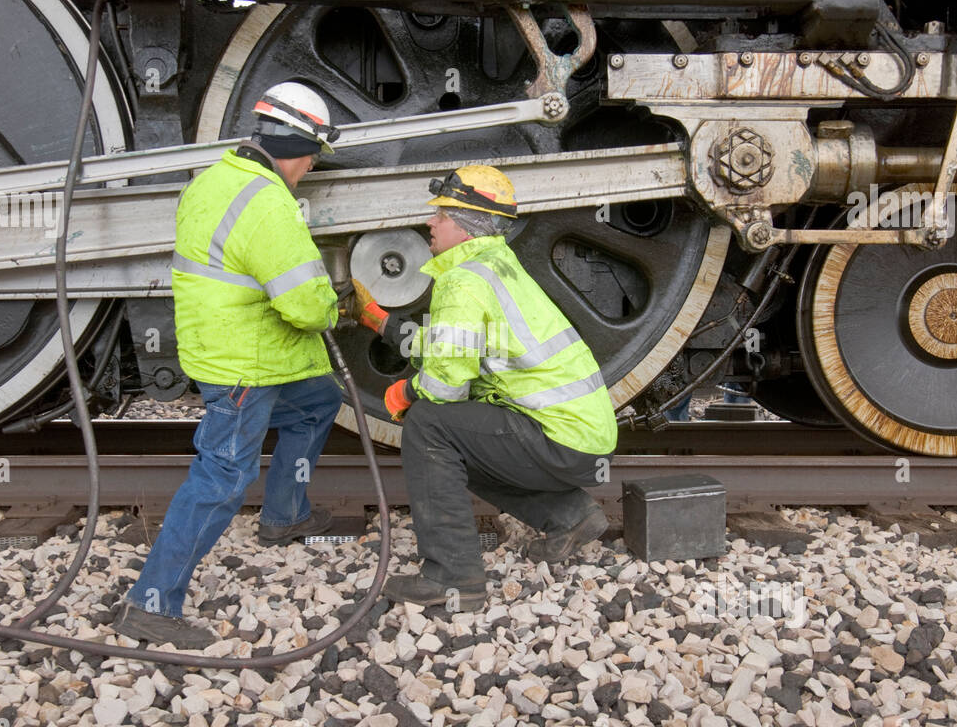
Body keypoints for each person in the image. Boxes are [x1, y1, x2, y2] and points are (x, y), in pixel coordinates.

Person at [114, 82, 344, 648]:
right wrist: (342, 302)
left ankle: (285, 515)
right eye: (314, 155)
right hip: (245, 366)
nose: (312, 167)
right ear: (300, 146)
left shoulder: (213, 180)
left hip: (223, 350)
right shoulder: (268, 204)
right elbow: (309, 306)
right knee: (222, 478)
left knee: (319, 400)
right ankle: (151, 602)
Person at [352, 165, 618, 612]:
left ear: (465, 224)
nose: (430, 223)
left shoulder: (464, 280)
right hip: (578, 438)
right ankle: (570, 518)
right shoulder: (493, 267)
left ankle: (453, 579)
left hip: (558, 438)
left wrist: (409, 395)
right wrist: (380, 322)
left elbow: (446, 382)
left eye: (441, 214)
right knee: (460, 442)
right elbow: (450, 349)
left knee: (429, 427)